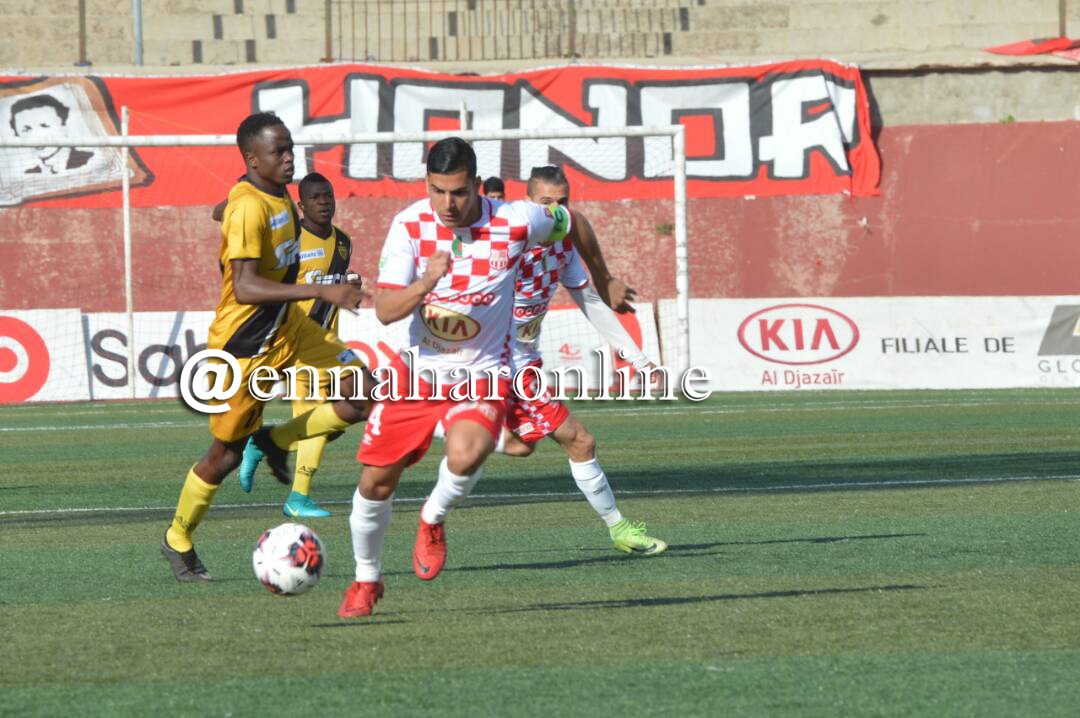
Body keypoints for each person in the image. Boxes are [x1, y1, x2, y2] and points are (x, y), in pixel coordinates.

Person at [338, 138, 592, 618]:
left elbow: (571, 222)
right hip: (417, 375)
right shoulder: (409, 226)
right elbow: (386, 310)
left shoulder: (517, 219)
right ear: (426, 184)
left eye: (458, 192)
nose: (448, 203)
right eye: (438, 191)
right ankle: (366, 579)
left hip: (483, 373)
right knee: (375, 484)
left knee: (467, 451)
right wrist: (425, 282)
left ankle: (432, 517)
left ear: (476, 184)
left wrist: (603, 275)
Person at [161, 112, 375, 582]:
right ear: (252, 159)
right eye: (278, 152)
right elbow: (245, 287)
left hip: (289, 327)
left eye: (290, 149)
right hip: (245, 346)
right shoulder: (249, 207)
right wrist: (320, 290)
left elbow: (225, 208)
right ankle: (177, 537)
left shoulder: (271, 194)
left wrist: (229, 208)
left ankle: (274, 441)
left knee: (363, 392)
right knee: (225, 455)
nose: (289, 158)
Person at [436, 164, 667, 556]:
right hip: (492, 363)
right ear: (529, 203)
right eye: (547, 202)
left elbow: (590, 301)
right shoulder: (506, 241)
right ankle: (620, 529)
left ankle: (439, 424)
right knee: (580, 440)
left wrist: (639, 360)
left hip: (525, 363)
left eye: (564, 202)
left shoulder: (564, 248)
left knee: (521, 445)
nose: (557, 211)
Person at [233, 172, 358, 518]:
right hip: (298, 345)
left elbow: (332, 283)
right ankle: (298, 497)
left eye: (328, 195)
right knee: (316, 417)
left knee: (348, 411)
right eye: (315, 197)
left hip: (330, 344)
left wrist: (349, 287)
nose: (324, 202)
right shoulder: (291, 244)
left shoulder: (344, 242)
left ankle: (265, 442)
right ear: (301, 205)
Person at [9, 94, 94, 174]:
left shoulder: (91, 161)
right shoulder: (29, 175)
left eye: (44, 125)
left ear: (64, 128)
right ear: (17, 136)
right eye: (26, 129)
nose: (37, 136)